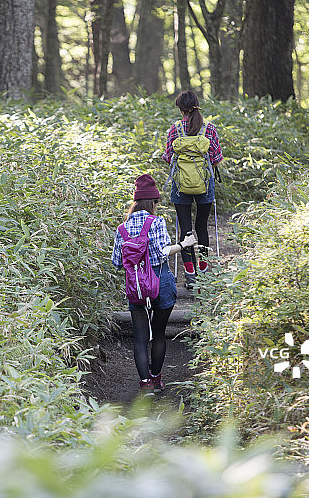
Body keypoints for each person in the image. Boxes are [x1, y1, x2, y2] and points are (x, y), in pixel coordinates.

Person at [111, 174, 198, 393]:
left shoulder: (122, 228)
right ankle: (157, 380)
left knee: (140, 338)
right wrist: (184, 244)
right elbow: (162, 253)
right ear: (153, 202)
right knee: (158, 333)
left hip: (136, 287)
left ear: (135, 202)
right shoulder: (156, 222)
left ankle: (145, 385)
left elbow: (117, 262)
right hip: (161, 283)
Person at [161, 90, 223, 289]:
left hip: (180, 186)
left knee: (185, 230)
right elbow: (216, 159)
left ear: (180, 109)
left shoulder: (175, 129)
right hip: (204, 185)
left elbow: (168, 157)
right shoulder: (209, 128)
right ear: (197, 105)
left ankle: (190, 275)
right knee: (202, 228)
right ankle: (204, 273)